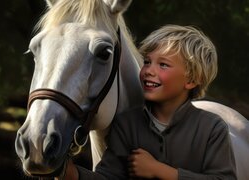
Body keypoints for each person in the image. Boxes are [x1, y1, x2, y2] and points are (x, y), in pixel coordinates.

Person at [63, 24, 237, 180]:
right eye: (147, 62)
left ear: (191, 80)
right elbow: (108, 177)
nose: (148, 71)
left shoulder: (212, 128)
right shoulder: (126, 125)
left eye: (163, 65)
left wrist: (160, 171)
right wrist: (71, 173)